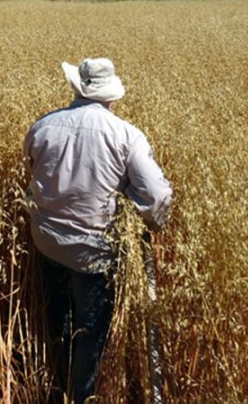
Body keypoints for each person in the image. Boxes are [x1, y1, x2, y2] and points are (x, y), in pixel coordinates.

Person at [23, 58, 173, 404]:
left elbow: (31, 172)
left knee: (58, 313)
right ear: (111, 96)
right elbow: (157, 195)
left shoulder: (43, 125)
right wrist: (148, 218)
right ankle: (80, 396)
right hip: (93, 253)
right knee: (89, 331)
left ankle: (54, 381)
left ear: (76, 88)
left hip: (45, 239)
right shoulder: (125, 134)